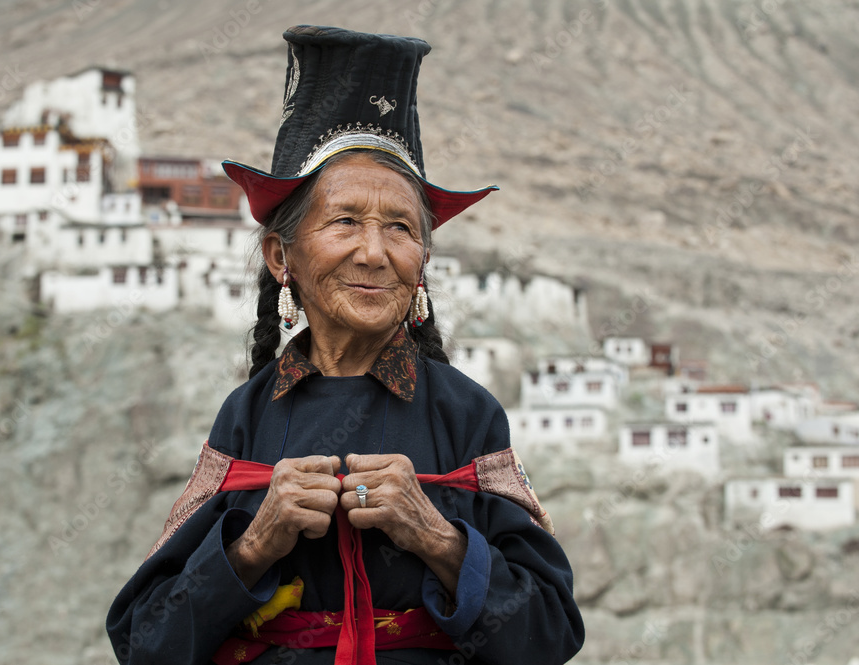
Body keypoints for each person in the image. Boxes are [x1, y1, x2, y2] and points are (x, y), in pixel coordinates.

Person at [107, 25, 584, 665]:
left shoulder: (466, 416)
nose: (375, 252)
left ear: (423, 259)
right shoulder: (244, 419)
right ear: (283, 256)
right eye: (345, 221)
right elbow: (145, 643)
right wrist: (256, 543)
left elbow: (550, 635)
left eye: (400, 228)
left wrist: (436, 536)